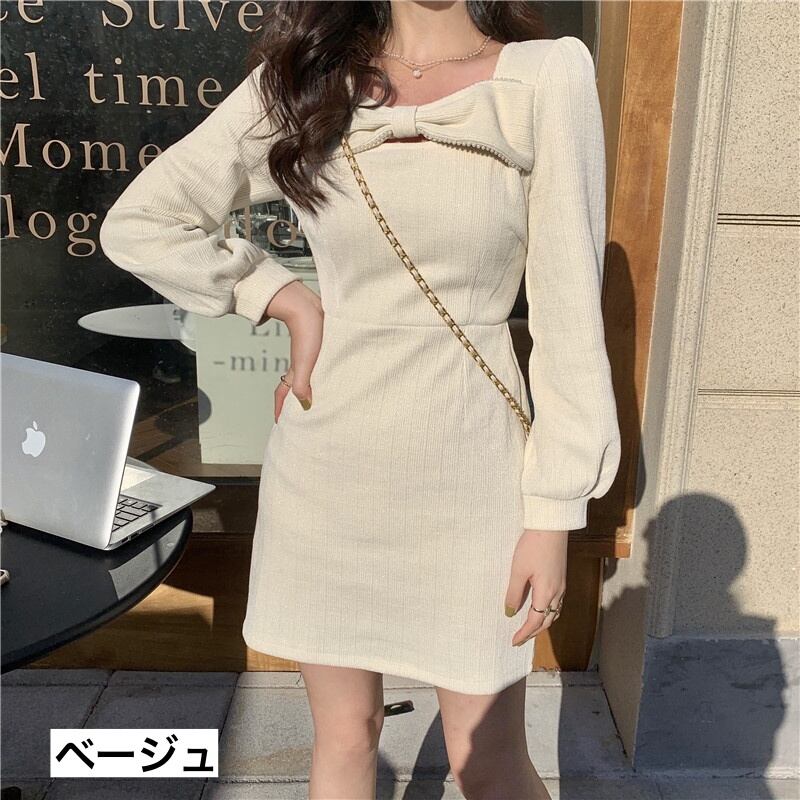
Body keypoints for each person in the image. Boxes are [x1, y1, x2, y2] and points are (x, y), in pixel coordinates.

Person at [99, 2, 621, 798]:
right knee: (345, 736)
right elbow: (144, 221)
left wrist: (553, 513)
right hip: (328, 465)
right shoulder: (307, 78)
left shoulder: (546, 77)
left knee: (486, 761)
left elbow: (570, 320)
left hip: (471, 470)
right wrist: (281, 296)